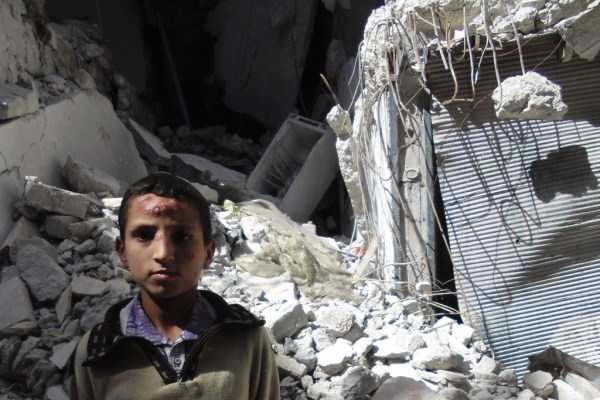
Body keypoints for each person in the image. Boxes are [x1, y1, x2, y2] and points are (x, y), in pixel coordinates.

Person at [69, 172, 280, 399]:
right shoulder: (97, 354)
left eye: (181, 236)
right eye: (144, 235)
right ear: (122, 251)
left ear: (208, 253)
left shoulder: (246, 340)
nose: (163, 253)